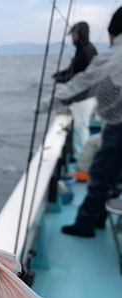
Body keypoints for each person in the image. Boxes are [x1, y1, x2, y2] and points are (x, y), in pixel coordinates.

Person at [41, 6, 122, 237]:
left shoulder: (113, 54)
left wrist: (44, 104)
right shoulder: (89, 50)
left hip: (117, 125)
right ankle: (98, 216)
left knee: (103, 170)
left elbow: (83, 82)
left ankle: (87, 222)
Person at [53, 22, 97, 160]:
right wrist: (59, 75)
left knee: (81, 126)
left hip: (84, 95)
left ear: (79, 35)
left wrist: (62, 78)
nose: (72, 38)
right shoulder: (84, 50)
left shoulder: (86, 51)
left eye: (74, 35)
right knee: (81, 124)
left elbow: (80, 76)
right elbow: (74, 70)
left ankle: (81, 159)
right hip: (84, 94)